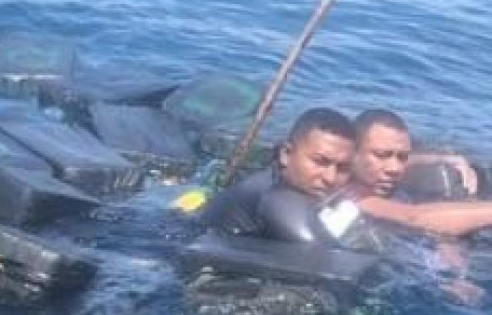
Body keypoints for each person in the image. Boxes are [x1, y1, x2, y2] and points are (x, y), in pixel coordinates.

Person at [204, 108, 375, 249]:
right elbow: (328, 257)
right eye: (320, 162)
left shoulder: (274, 179)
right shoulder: (281, 198)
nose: (330, 178)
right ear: (286, 154)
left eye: (343, 168)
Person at [349, 109, 492, 237]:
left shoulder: (369, 174)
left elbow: (410, 158)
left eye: (402, 157)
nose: (395, 168)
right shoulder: (348, 191)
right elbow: (413, 217)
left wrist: (447, 159)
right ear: (352, 153)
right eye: (381, 155)